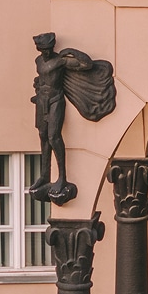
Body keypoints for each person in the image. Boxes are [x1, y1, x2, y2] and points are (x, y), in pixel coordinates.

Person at [30, 33, 116, 204]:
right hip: (42, 101)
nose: (46, 52)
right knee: (43, 136)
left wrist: (71, 51)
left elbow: (87, 64)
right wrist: (38, 86)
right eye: (43, 50)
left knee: (54, 137)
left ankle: (62, 176)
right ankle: (44, 175)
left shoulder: (61, 61)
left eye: (48, 49)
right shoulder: (39, 61)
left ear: (52, 48)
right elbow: (42, 78)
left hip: (55, 100)